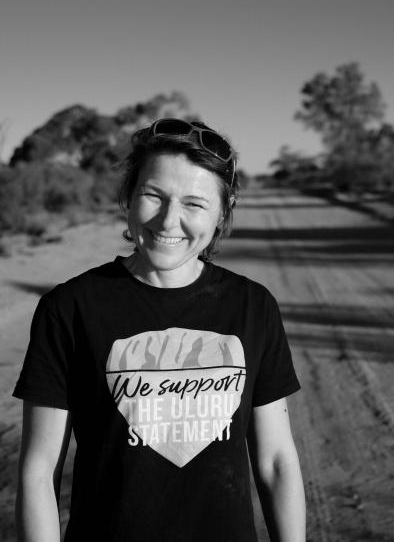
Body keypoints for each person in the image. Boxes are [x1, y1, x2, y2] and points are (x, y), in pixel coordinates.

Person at [13, 118, 306, 542]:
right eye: (154, 195)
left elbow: (277, 461)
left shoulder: (252, 307)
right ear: (128, 197)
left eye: (194, 203)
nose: (170, 221)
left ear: (223, 212)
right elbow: (40, 471)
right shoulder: (70, 308)